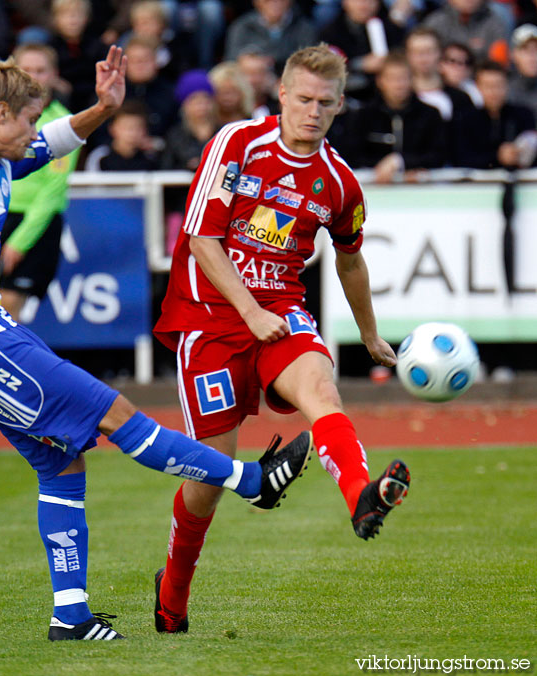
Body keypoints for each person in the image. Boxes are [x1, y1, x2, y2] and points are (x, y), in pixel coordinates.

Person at [0, 45, 310, 642]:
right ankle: (250, 484)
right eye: (26, 118)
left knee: (61, 465)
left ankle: (70, 616)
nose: (32, 131)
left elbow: (53, 141)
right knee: (114, 411)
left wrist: (102, 108)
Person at [151, 43, 411, 634]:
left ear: (341, 105)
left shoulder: (339, 184)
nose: (313, 112)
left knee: (323, 390)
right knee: (211, 477)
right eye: (303, 99)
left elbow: (350, 261)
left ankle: (360, 498)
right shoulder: (236, 144)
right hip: (209, 317)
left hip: (281, 311)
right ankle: (172, 591)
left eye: (325, 103)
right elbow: (201, 241)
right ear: (282, 97)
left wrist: (370, 335)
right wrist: (247, 310)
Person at [0, 42, 81, 445]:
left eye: (42, 69)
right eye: (28, 69)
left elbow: (52, 192)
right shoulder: (1, 122)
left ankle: (4, 407)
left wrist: (19, 240)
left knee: (3, 316)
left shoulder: (59, 122)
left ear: (53, 75)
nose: (35, 77)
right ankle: (8, 404)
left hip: (33, 229)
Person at [345, 51, 446, 180]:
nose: (399, 85)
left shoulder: (430, 114)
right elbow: (352, 156)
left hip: (419, 188)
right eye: (392, 78)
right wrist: (384, 166)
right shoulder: (362, 116)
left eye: (403, 78)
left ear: (412, 80)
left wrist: (402, 162)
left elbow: (438, 156)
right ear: (380, 81)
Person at [405, 27, 487, 167]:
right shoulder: (399, 98)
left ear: (439, 54)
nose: (423, 58)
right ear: (408, 55)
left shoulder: (460, 99)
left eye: (428, 51)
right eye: (417, 52)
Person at [84, 99, 158, 170]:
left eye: (138, 128)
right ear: (112, 129)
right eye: (126, 127)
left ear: (145, 130)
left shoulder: (151, 157)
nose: (132, 133)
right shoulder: (100, 157)